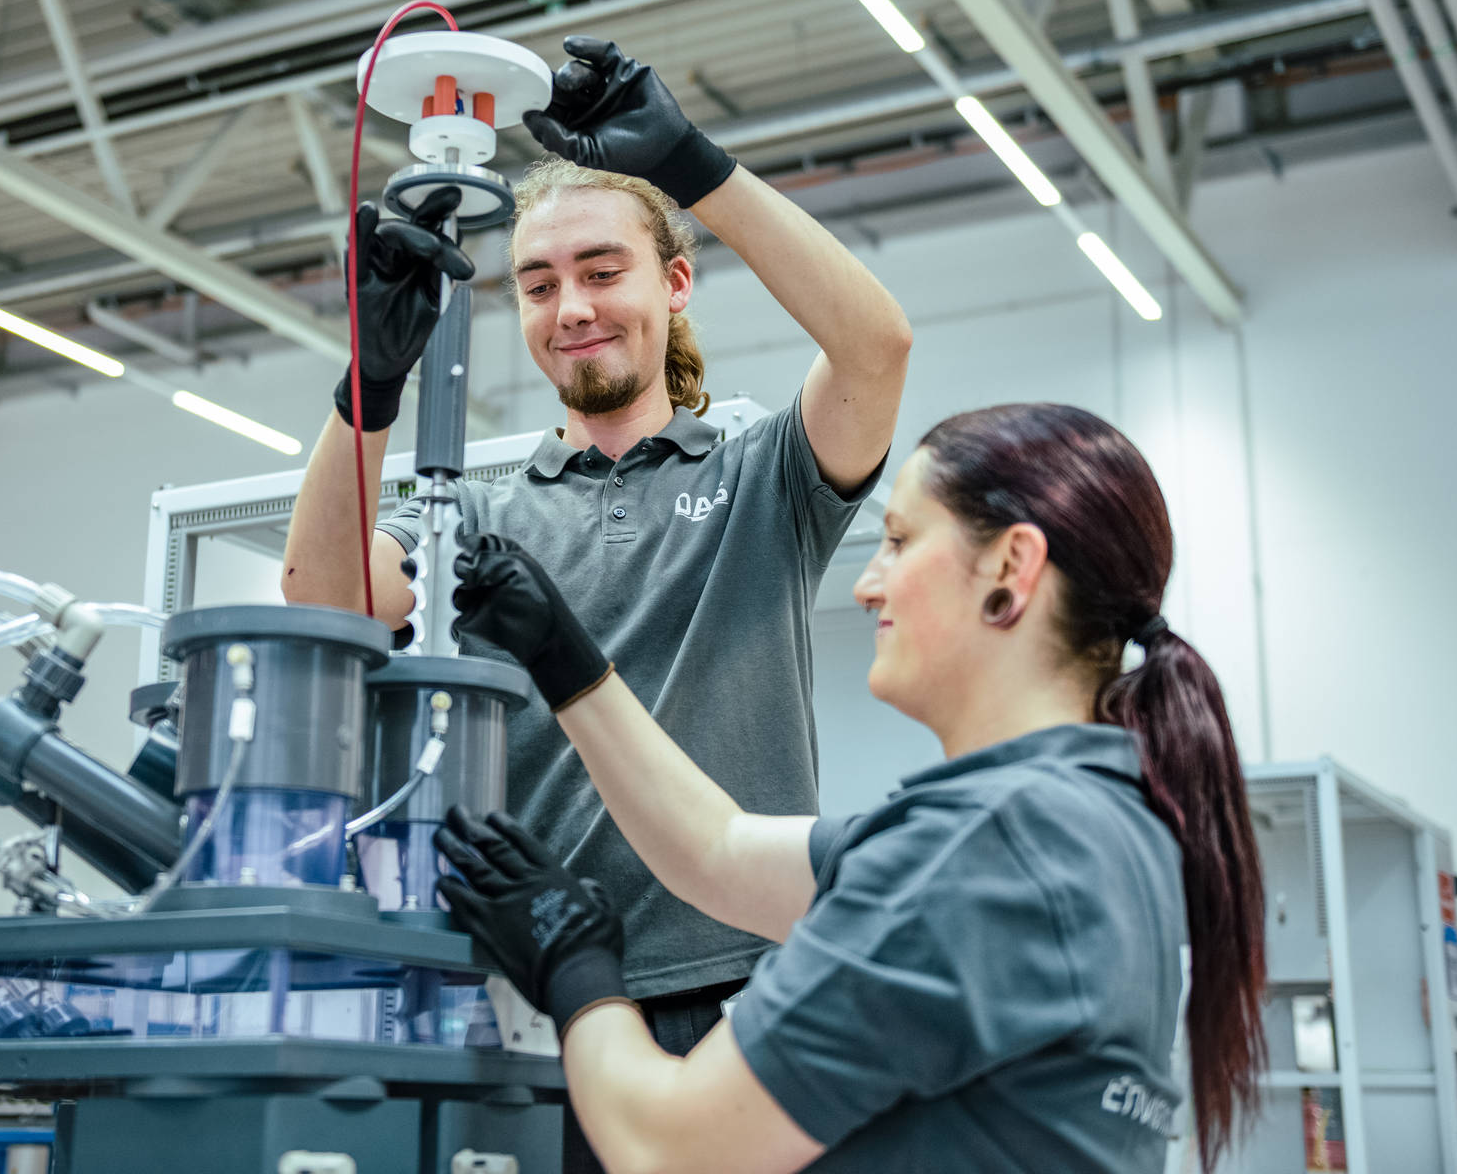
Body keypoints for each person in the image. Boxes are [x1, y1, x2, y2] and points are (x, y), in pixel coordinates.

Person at [280, 32, 913, 1141]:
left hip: (742, 983)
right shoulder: (476, 516)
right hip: (532, 1001)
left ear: (673, 282)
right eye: (538, 283)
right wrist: (368, 389)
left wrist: (689, 164)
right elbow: (322, 601)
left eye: (601, 270)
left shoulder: (763, 475)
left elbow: (875, 346)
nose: (570, 305)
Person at [434, 402, 1268, 1173]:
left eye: (901, 542)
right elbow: (716, 852)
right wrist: (563, 658)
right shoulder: (1100, 815)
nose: (870, 582)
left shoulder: (982, 851)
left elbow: (666, 1144)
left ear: (1012, 567)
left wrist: (574, 963)